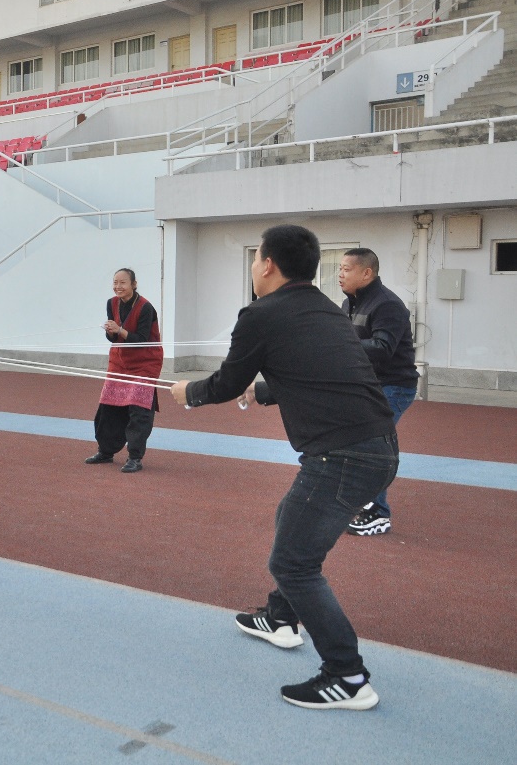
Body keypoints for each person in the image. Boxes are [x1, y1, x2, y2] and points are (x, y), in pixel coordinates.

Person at [170, 224, 398, 710]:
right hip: (378, 447)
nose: (255, 267)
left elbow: (225, 383)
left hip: (343, 456)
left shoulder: (260, 314)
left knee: (293, 562)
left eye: (256, 259)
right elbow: (318, 369)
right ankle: (279, 617)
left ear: (269, 264)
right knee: (291, 522)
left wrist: (188, 393)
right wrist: (265, 390)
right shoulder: (326, 309)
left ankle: (347, 676)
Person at [338, 248, 418, 537]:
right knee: (359, 443)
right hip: (368, 387)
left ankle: (378, 513)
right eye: (339, 268)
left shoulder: (387, 305)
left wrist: (341, 346)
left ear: (366, 273)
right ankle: (364, 504)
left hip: (394, 387)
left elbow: (383, 348)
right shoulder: (349, 304)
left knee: (371, 445)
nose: (340, 274)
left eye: (346, 269)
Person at [84, 268, 162, 474]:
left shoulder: (146, 307)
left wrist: (120, 330)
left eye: (123, 283)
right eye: (115, 282)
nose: (118, 287)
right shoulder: (111, 303)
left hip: (145, 363)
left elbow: (141, 341)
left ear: (134, 285)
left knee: (139, 409)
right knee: (108, 407)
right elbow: (114, 338)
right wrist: (111, 332)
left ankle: (135, 457)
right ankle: (105, 451)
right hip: (119, 361)